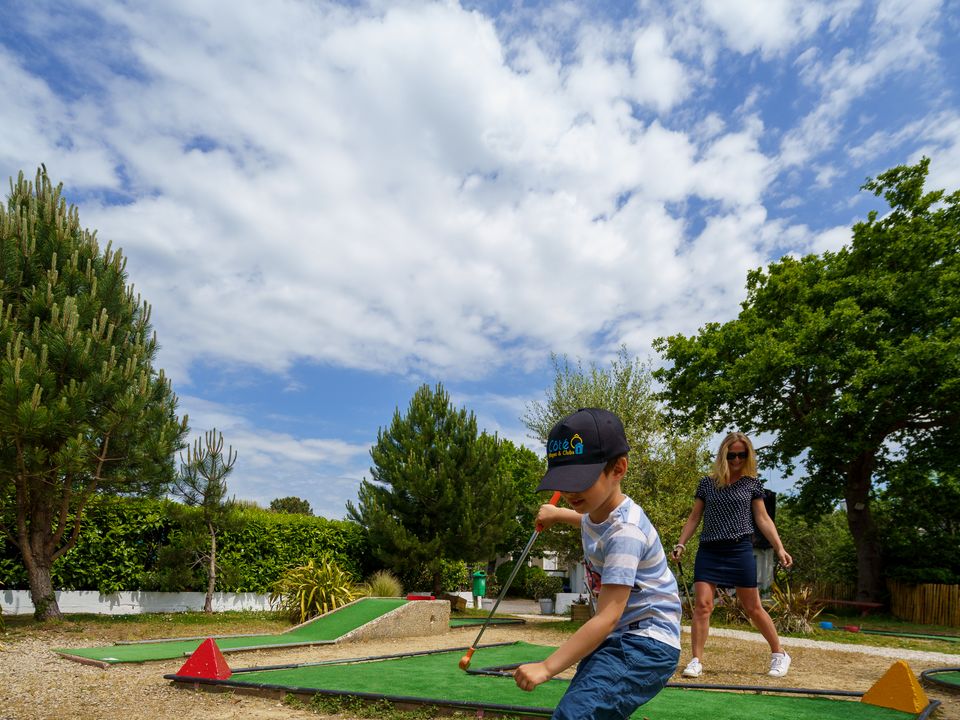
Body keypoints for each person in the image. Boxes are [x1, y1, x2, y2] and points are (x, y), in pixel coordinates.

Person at [513, 408, 681, 720]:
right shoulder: (599, 512)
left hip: (647, 644)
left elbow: (606, 618)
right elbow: (590, 523)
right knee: (589, 704)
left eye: (581, 480)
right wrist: (558, 515)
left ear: (618, 468)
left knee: (577, 713)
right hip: (622, 637)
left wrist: (547, 667)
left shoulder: (626, 533)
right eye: (565, 481)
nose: (572, 491)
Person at [670, 431, 793, 679]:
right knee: (702, 606)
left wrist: (779, 548)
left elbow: (763, 518)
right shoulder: (707, 484)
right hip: (710, 550)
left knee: (753, 607)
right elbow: (695, 517)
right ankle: (695, 660)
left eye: (741, 454)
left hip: (739, 549)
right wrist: (681, 543)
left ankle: (779, 653)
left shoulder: (751, 484)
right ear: (723, 454)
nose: (736, 459)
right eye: (732, 454)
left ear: (747, 456)